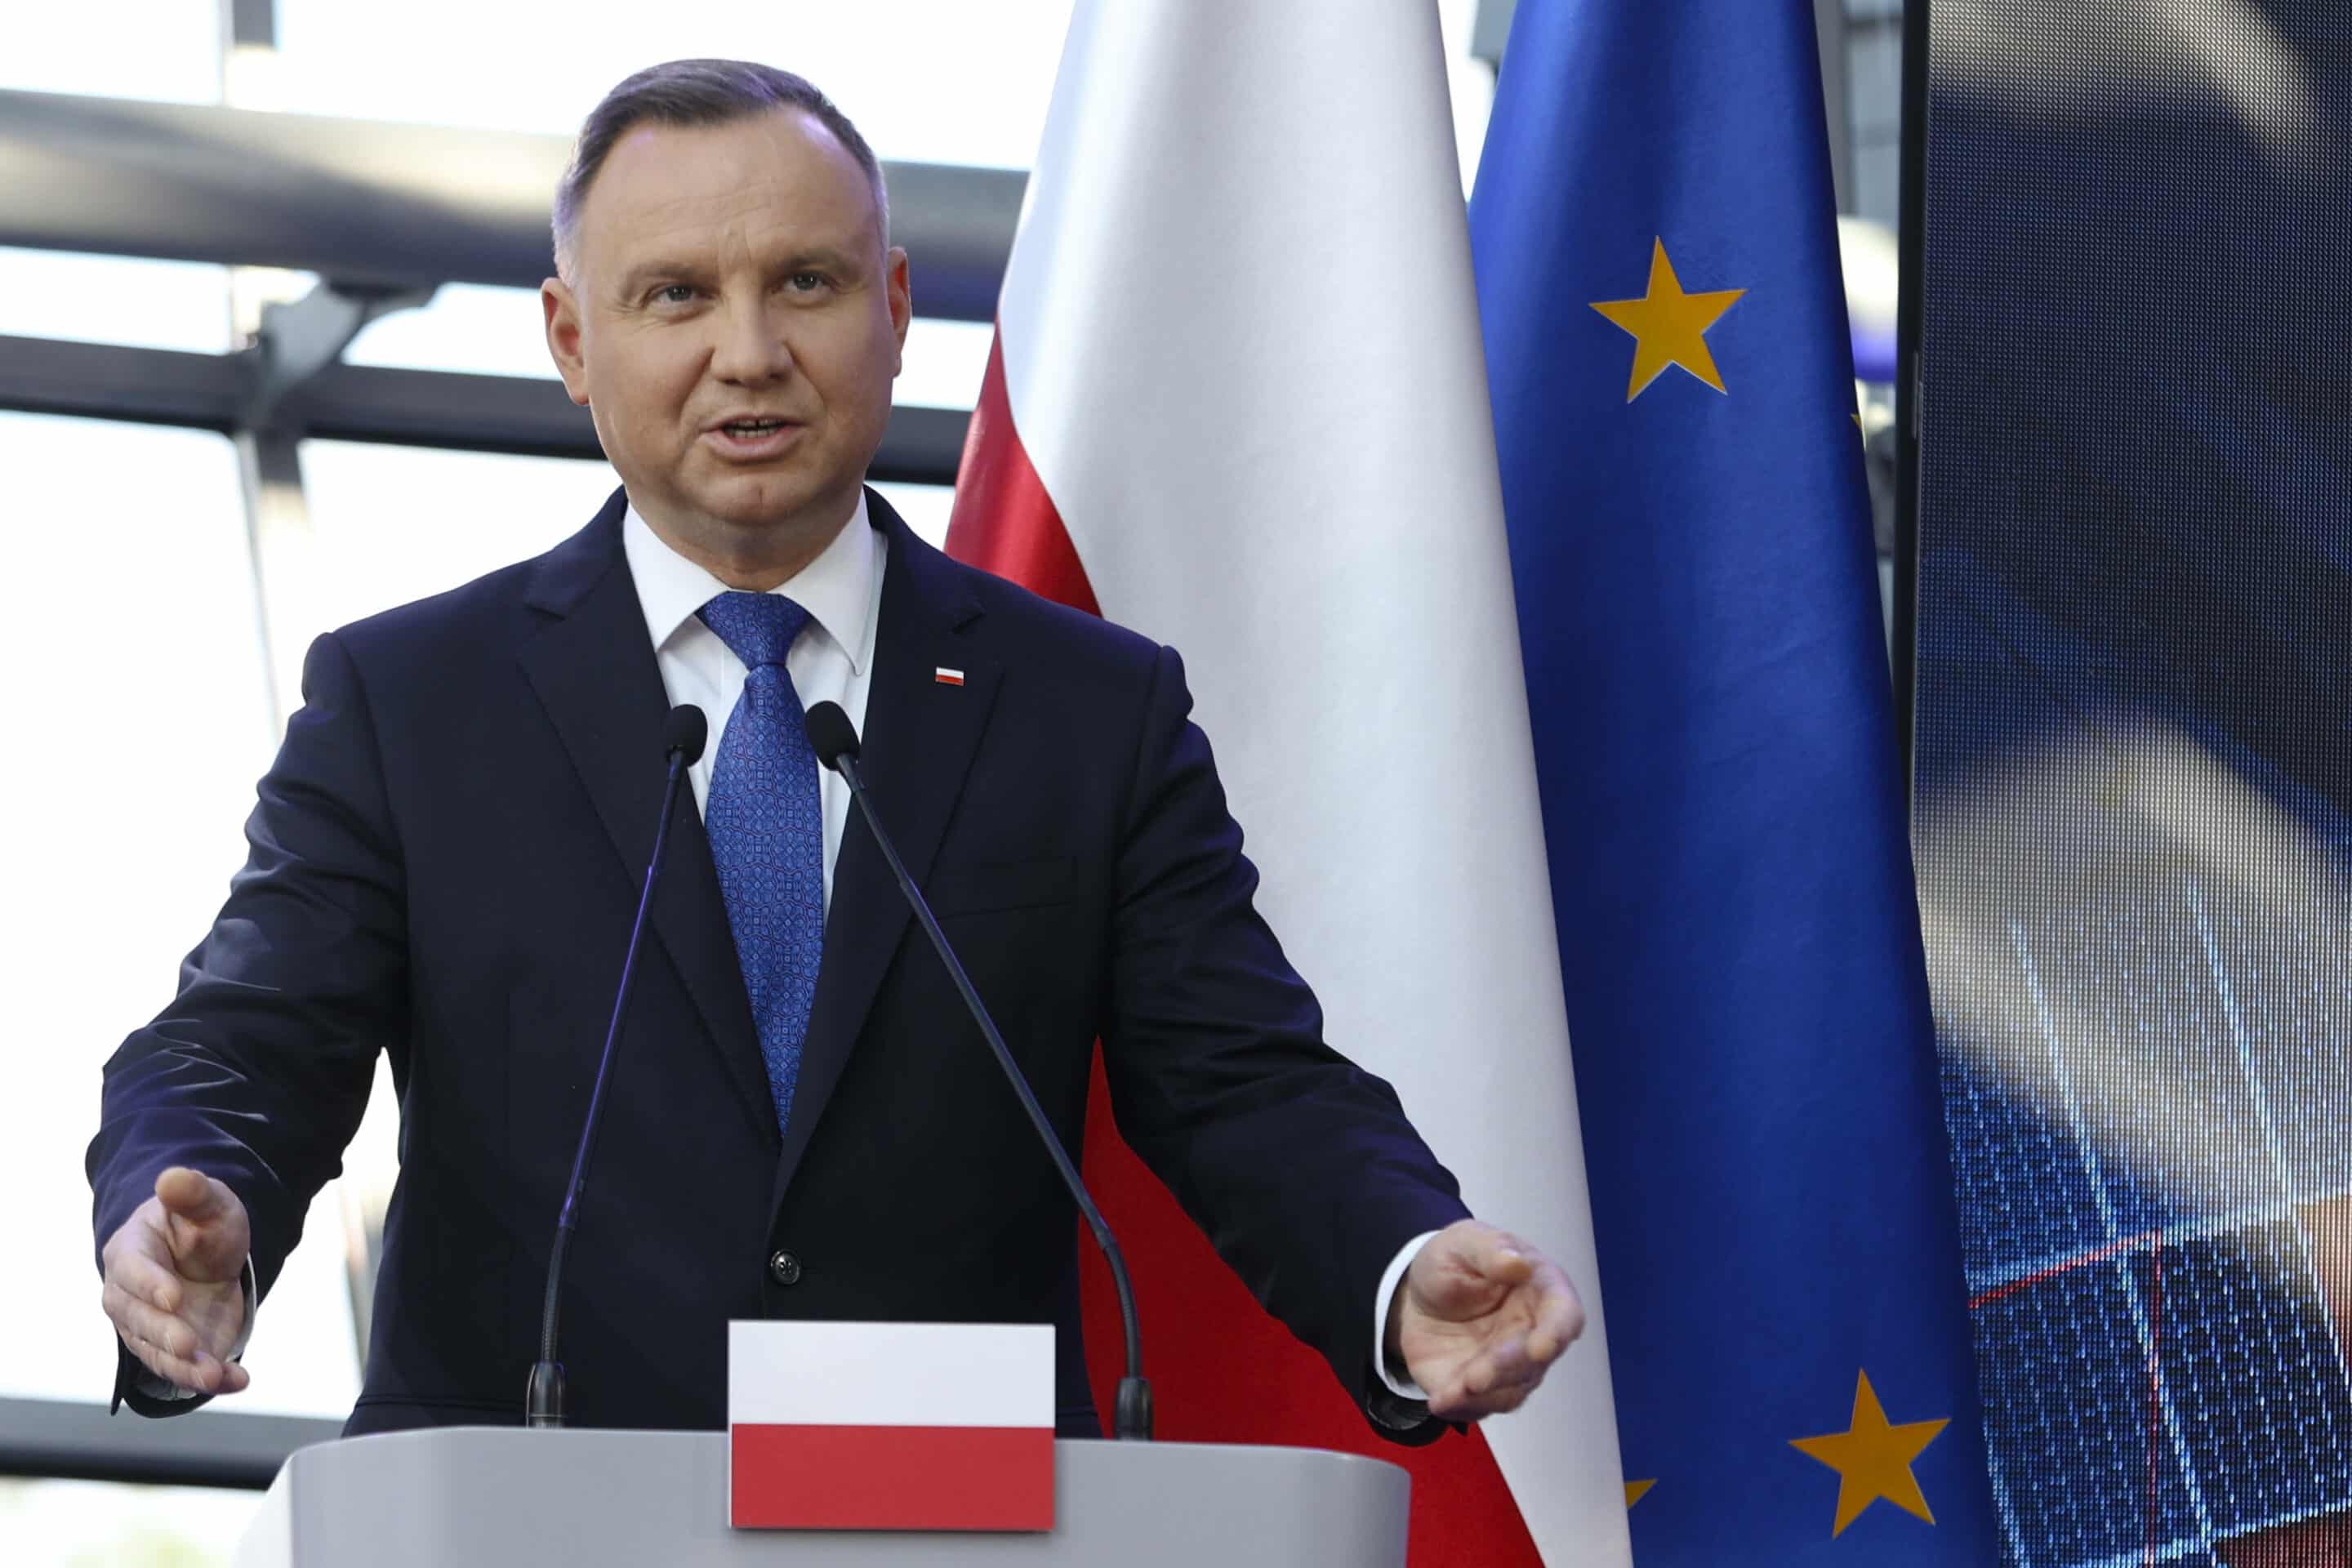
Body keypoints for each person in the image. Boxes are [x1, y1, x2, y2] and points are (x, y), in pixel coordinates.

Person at [89, 59, 1581, 1441]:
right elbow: (250, 1040)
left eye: (805, 281)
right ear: (571, 340)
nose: (750, 352)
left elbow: (1246, 1083)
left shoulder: (1085, 711)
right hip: (533, 1511)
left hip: (954, 1511)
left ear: (895, 306)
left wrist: (1399, 1259)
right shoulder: (415, 701)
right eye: (676, 294)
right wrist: (195, 1204)